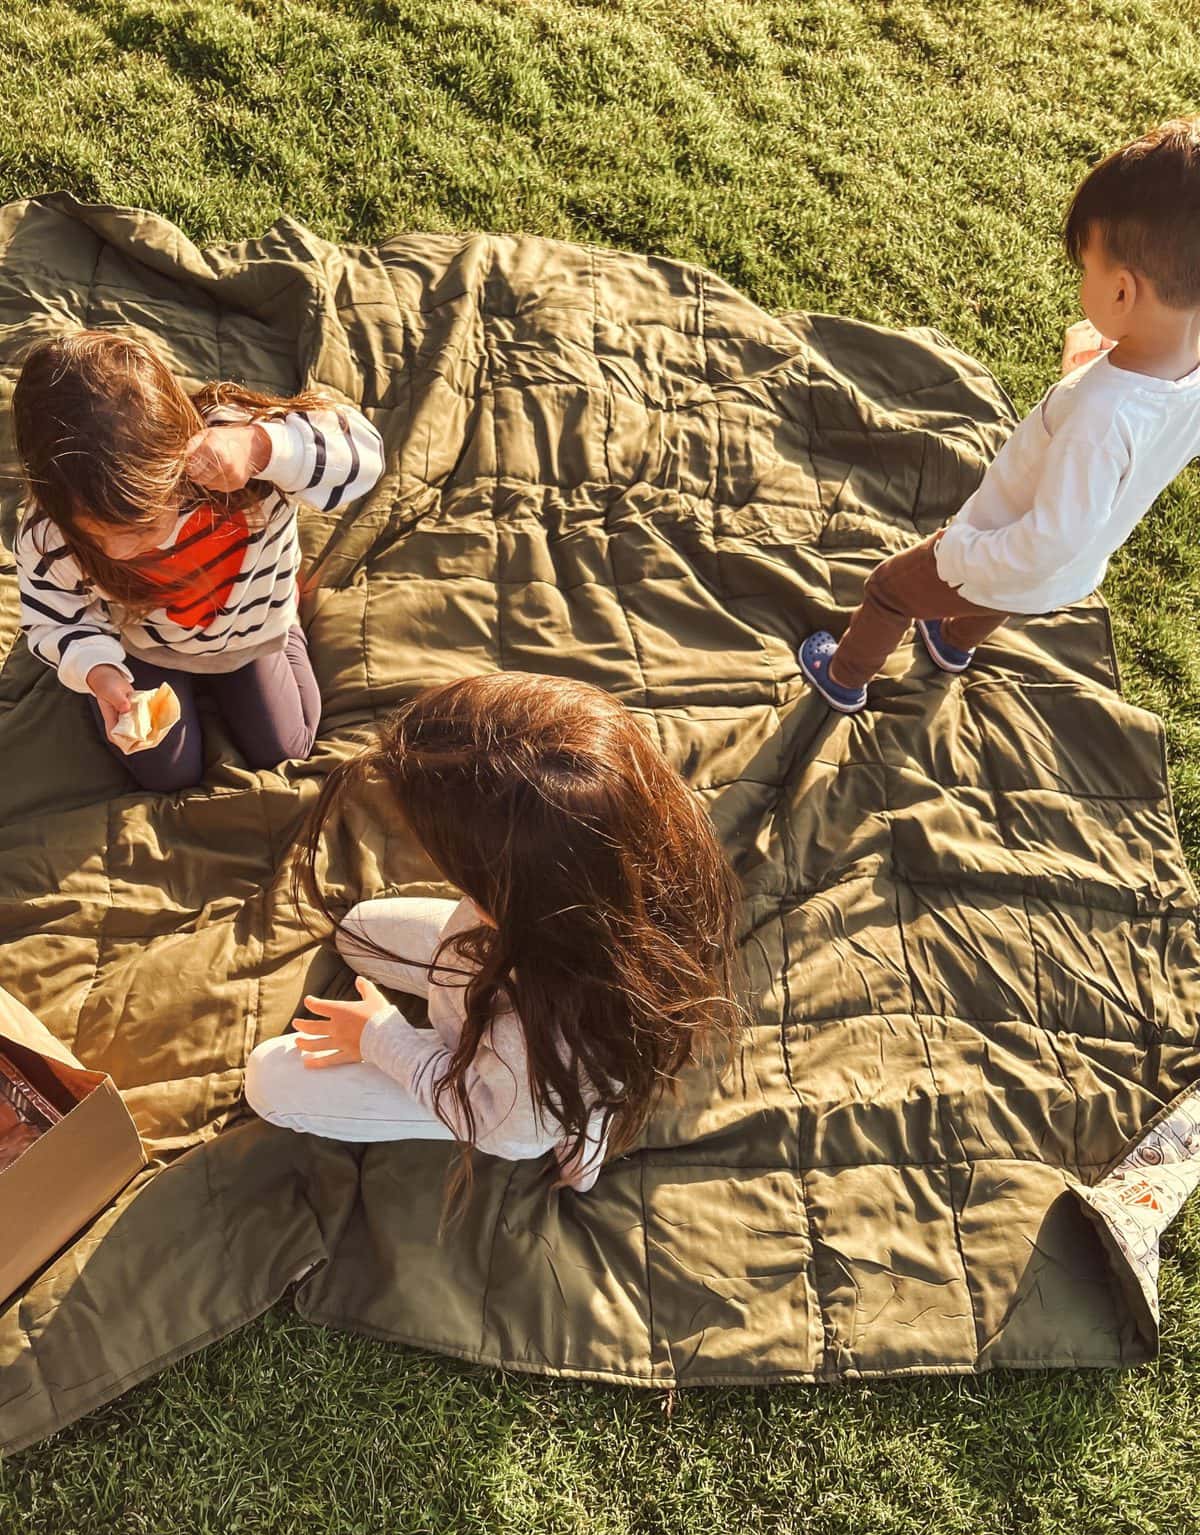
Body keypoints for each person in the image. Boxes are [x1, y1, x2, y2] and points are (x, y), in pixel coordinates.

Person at [244, 672, 742, 1194]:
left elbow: (493, 1122)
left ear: (512, 897)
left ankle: (579, 1123)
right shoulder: (618, 858)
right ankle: (572, 1099)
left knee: (268, 1079)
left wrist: (382, 1040)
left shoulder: (540, 1032)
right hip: (495, 967)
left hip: (502, 1099)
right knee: (356, 933)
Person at [798, 115, 1200, 713]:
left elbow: (1046, 538)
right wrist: (1092, 371)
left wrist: (956, 555)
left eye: (1085, 269)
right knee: (992, 600)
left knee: (888, 590)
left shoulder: (1099, 416)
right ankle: (951, 642)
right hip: (1064, 575)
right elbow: (1142, 427)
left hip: (1005, 550)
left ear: (1121, 292)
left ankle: (844, 676)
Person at [12, 329, 385, 788]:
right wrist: (98, 670)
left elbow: (365, 456)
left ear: (176, 458)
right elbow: (55, 620)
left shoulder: (231, 456)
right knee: (166, 775)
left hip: (252, 629)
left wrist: (260, 447)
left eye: (143, 528)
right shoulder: (49, 535)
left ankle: (288, 624)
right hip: (146, 644)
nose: (122, 552)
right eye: (100, 537)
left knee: (287, 749)